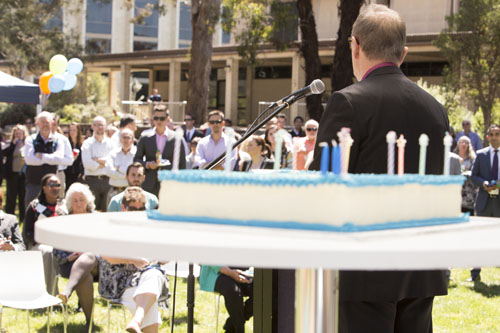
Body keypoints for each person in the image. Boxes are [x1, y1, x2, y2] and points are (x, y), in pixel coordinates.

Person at [309, 5, 449, 332]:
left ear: (354, 46)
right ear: (403, 52)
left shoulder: (347, 102)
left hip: (364, 269)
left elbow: (325, 187)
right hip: (421, 267)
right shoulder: (435, 109)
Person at [98, 187, 166, 333]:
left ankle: (136, 321)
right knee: (149, 301)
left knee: (155, 275)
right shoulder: (112, 226)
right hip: (117, 281)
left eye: (141, 209)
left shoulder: (148, 228)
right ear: (123, 207)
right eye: (132, 209)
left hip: (144, 277)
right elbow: (104, 254)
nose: (137, 213)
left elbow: (163, 259)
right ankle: (138, 320)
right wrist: (131, 260)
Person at [53, 183, 98, 330]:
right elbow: (57, 251)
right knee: (85, 278)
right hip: (72, 266)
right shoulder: (64, 222)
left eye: (81, 199)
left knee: (89, 256)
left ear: (88, 201)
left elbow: (106, 244)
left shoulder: (97, 219)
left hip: (98, 265)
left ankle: (67, 291)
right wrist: (69, 257)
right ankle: (89, 322)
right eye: (75, 200)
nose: (79, 203)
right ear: (70, 203)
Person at [23, 174, 67, 294]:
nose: (55, 188)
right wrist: (45, 239)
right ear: (43, 187)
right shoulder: (35, 206)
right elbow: (27, 233)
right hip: (40, 245)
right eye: (51, 185)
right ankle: (51, 295)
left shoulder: (63, 207)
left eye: (57, 185)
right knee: (48, 252)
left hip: (61, 245)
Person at [470, 124, 500, 282]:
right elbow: (473, 176)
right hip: (484, 202)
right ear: (487, 136)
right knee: (478, 237)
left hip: (499, 202)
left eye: (497, 134)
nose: (495, 137)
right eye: (492, 134)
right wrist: (484, 184)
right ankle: (475, 273)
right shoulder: (481, 155)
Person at [135, 105, 186, 196]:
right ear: (152, 119)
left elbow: (182, 164)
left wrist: (180, 183)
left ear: (167, 119)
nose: (158, 121)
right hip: (149, 184)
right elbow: (136, 160)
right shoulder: (145, 137)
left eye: (162, 118)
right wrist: (148, 164)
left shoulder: (176, 138)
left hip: (169, 183)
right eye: (156, 118)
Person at [24, 111, 67, 209]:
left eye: (47, 122)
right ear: (37, 123)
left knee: (50, 214)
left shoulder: (58, 140)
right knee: (32, 212)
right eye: (42, 122)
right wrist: (51, 158)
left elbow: (59, 159)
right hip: (34, 184)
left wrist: (41, 156)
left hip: (52, 186)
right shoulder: (30, 140)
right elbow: (29, 160)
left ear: (52, 123)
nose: (45, 125)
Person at [199, 265, 253, 333]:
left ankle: (230, 326)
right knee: (233, 291)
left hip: (242, 271)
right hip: (216, 272)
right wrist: (231, 273)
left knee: (262, 290)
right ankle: (239, 329)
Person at [81, 116, 114, 211]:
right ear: (92, 126)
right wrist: (104, 163)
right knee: (91, 210)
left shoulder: (111, 143)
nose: (99, 127)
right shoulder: (87, 143)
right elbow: (87, 164)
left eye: (101, 125)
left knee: (107, 210)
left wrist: (97, 160)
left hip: (107, 181)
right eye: (97, 125)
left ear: (105, 126)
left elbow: (113, 162)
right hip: (92, 181)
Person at [3, 124, 28, 222]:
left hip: (24, 174)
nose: (18, 135)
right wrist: (13, 144)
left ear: (23, 134)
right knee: (11, 197)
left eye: (20, 133)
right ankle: (9, 218)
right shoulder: (10, 144)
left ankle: (23, 219)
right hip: (12, 174)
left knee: (23, 197)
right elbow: (4, 153)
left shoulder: (27, 144)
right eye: (16, 133)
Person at [106, 128, 137, 201]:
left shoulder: (137, 154)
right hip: (114, 191)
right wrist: (128, 175)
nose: (126, 140)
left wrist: (119, 168)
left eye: (128, 137)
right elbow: (108, 171)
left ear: (133, 140)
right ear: (120, 139)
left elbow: (136, 174)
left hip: (131, 192)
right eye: (124, 137)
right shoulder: (113, 153)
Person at [51, 114, 74, 197]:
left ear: (57, 125)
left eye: (54, 125)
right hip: (43, 173)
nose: (51, 127)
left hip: (59, 173)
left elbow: (70, 160)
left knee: (59, 200)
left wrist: (54, 159)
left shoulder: (63, 139)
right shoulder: (40, 139)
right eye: (50, 124)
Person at [455, 136, 477, 214]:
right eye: (461, 142)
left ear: (469, 145)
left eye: (466, 142)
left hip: (469, 192)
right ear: (458, 144)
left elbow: (475, 172)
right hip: (456, 189)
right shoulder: (453, 157)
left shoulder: (473, 158)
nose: (463, 144)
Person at [65, 122, 84, 190]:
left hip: (78, 173)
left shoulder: (82, 144)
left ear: (78, 131)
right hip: (67, 172)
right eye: (70, 130)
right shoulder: (66, 143)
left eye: (74, 130)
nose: (72, 132)